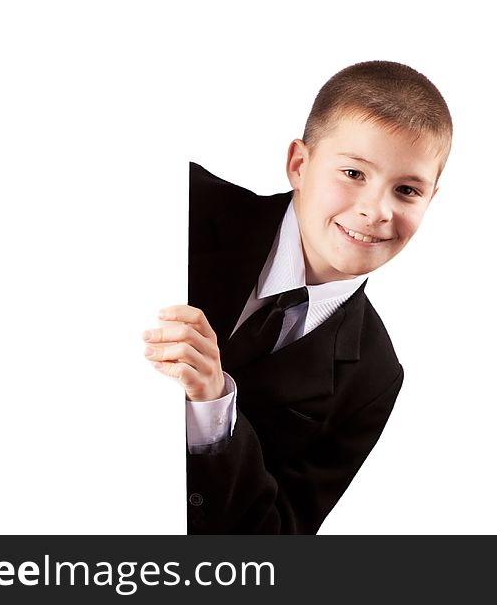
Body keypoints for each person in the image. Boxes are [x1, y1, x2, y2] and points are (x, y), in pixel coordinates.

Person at [142, 60, 452, 533]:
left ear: (429, 200)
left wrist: (213, 407)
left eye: (407, 190)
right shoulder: (179, 198)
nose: (376, 210)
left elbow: (277, 539)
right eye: (353, 172)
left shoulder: (374, 377)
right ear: (299, 165)